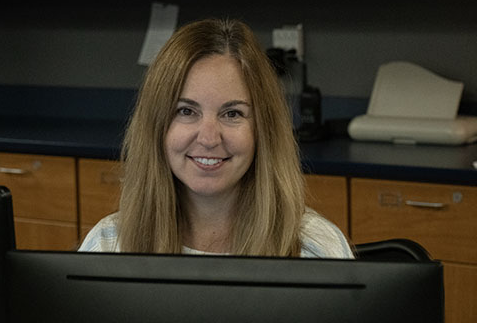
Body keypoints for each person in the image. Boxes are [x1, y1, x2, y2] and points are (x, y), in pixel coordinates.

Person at [79, 18, 353, 259]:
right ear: (156, 126)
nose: (209, 138)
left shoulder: (315, 250)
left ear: (263, 130)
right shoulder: (109, 245)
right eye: (186, 111)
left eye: (232, 113)